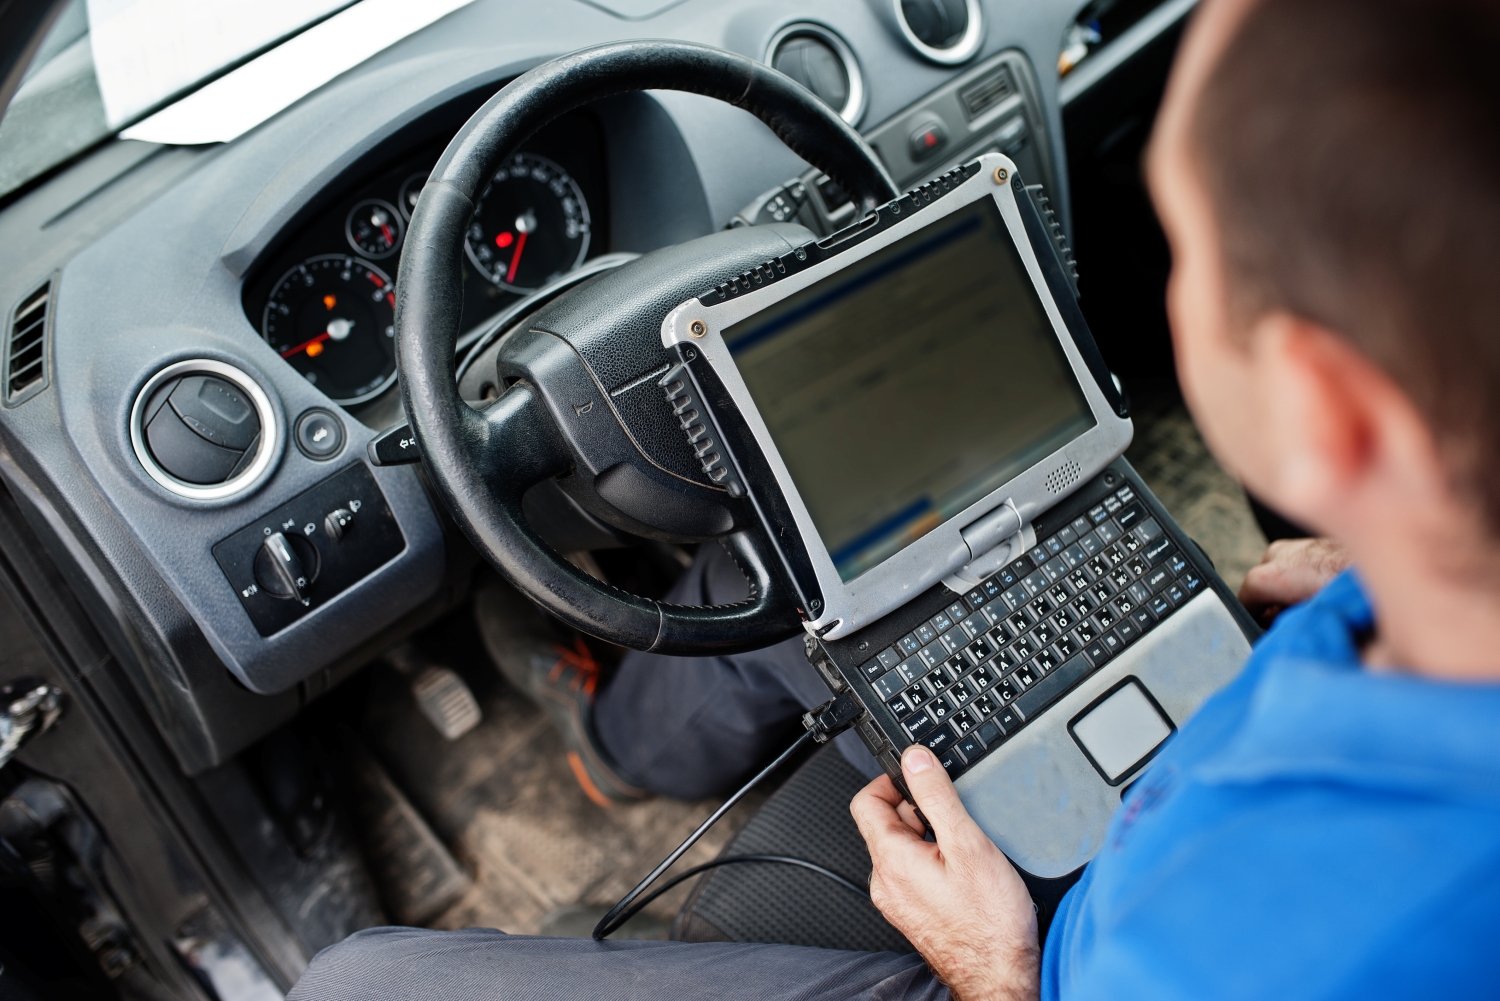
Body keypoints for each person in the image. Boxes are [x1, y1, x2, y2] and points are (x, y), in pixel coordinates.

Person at [288, 0, 1500, 996]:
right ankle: (619, 741)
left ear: (1327, 408)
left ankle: (608, 738)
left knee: (356, 984)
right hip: (1251, 773)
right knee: (840, 567)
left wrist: (992, 967)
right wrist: (1410, 578)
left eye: (1194, 252)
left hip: (1065, 959)